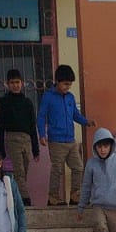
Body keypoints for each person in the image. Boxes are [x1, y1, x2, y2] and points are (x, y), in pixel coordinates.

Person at [38, 64, 92, 206]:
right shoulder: (48, 96)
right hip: (56, 140)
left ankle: (75, 195)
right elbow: (42, 116)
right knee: (57, 169)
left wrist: (86, 122)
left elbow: (75, 114)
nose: (67, 87)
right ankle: (53, 197)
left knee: (78, 167)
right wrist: (42, 134)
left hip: (70, 140)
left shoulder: (70, 98)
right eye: (65, 84)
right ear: (58, 81)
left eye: (69, 85)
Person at [0, 69, 39, 204]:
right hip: (12, 138)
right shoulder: (4, 102)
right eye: (12, 82)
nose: (15, 85)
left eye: (17, 82)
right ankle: (26, 199)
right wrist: (1, 149)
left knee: (24, 170)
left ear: (22, 83)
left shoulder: (27, 102)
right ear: (7, 84)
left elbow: (33, 125)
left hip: (26, 139)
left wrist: (35, 148)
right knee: (18, 170)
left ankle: (17, 196)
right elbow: (1, 126)